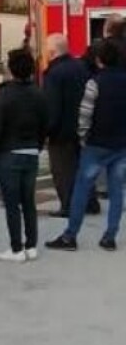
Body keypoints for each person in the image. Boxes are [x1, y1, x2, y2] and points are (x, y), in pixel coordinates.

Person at [47, 39, 126, 252]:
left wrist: (83, 138)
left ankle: (70, 235)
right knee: (117, 190)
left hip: (96, 143)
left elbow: (85, 114)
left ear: (99, 60)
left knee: (82, 187)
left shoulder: (95, 83)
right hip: (120, 145)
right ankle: (110, 237)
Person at [0, 48, 49, 261]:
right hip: (31, 153)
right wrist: (37, 145)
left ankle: (16, 249)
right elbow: (45, 124)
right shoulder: (39, 93)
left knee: (12, 203)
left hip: (9, 154)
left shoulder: (3, 96)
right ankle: (32, 245)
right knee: (28, 200)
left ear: (10, 69)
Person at [44, 33, 99, 218]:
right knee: (83, 168)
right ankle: (91, 202)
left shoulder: (54, 74)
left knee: (63, 171)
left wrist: (46, 131)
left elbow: (52, 107)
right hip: (84, 128)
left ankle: (68, 206)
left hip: (62, 133)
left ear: (51, 52)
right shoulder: (82, 67)